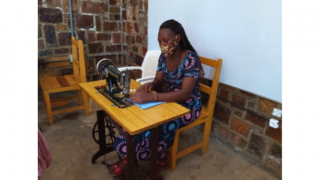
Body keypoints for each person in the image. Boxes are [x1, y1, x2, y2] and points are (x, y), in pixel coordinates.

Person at [110, 19, 205, 176]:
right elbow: (158, 81)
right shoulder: (163, 57)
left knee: (159, 124)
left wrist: (151, 97)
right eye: (160, 41)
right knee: (140, 117)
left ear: (177, 38)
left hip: (188, 106)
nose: (162, 45)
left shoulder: (191, 59)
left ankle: (158, 158)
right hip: (167, 99)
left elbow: (185, 93)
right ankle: (132, 155)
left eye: (165, 40)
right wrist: (150, 85)